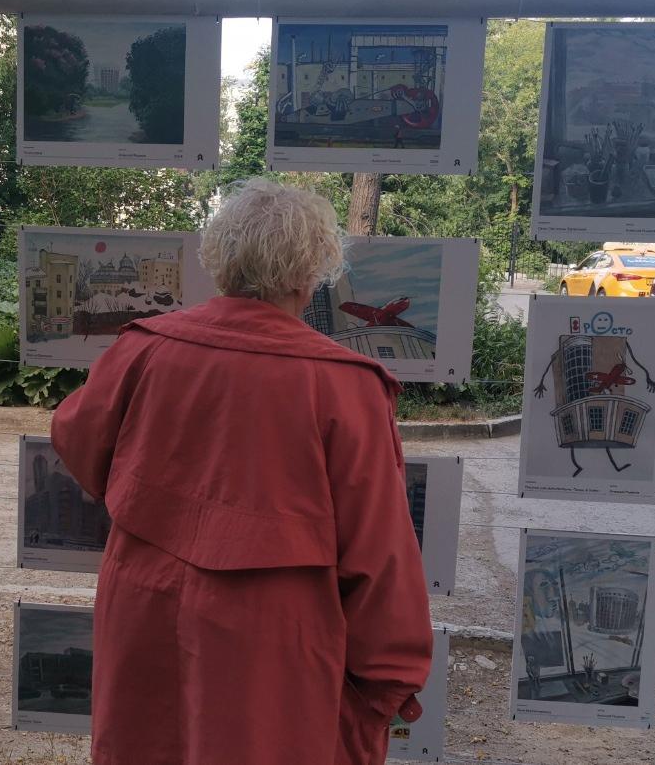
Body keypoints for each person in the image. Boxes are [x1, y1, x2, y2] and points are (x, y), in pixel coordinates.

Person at [52, 177, 432, 765]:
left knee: (141, 744)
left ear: (221, 262)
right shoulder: (344, 385)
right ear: (308, 276)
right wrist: (390, 678)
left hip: (144, 601)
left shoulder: (144, 349)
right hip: (271, 633)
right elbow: (379, 551)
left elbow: (76, 440)